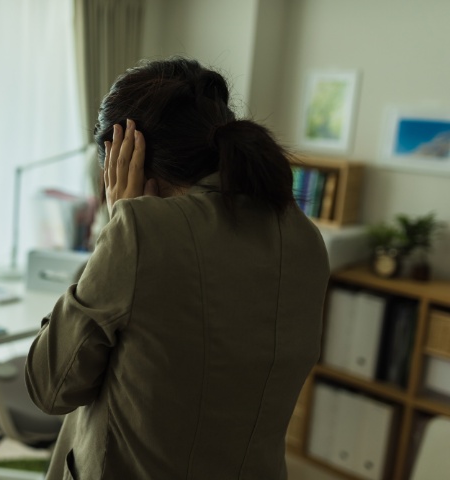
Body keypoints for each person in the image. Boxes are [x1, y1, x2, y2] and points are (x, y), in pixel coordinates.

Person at [25, 57, 329, 479]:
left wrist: (117, 224)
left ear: (125, 158)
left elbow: (49, 386)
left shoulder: (139, 231)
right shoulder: (305, 238)